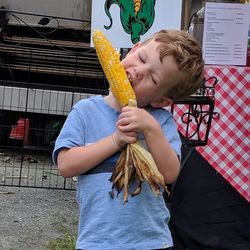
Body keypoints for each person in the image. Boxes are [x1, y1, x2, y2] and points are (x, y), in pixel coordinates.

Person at [52, 29, 204, 250]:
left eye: (153, 78)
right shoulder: (85, 112)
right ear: (133, 49)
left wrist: (150, 128)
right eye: (142, 58)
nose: (140, 71)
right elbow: (66, 165)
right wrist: (115, 140)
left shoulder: (160, 121)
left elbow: (170, 173)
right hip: (97, 242)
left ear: (161, 100)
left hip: (150, 242)